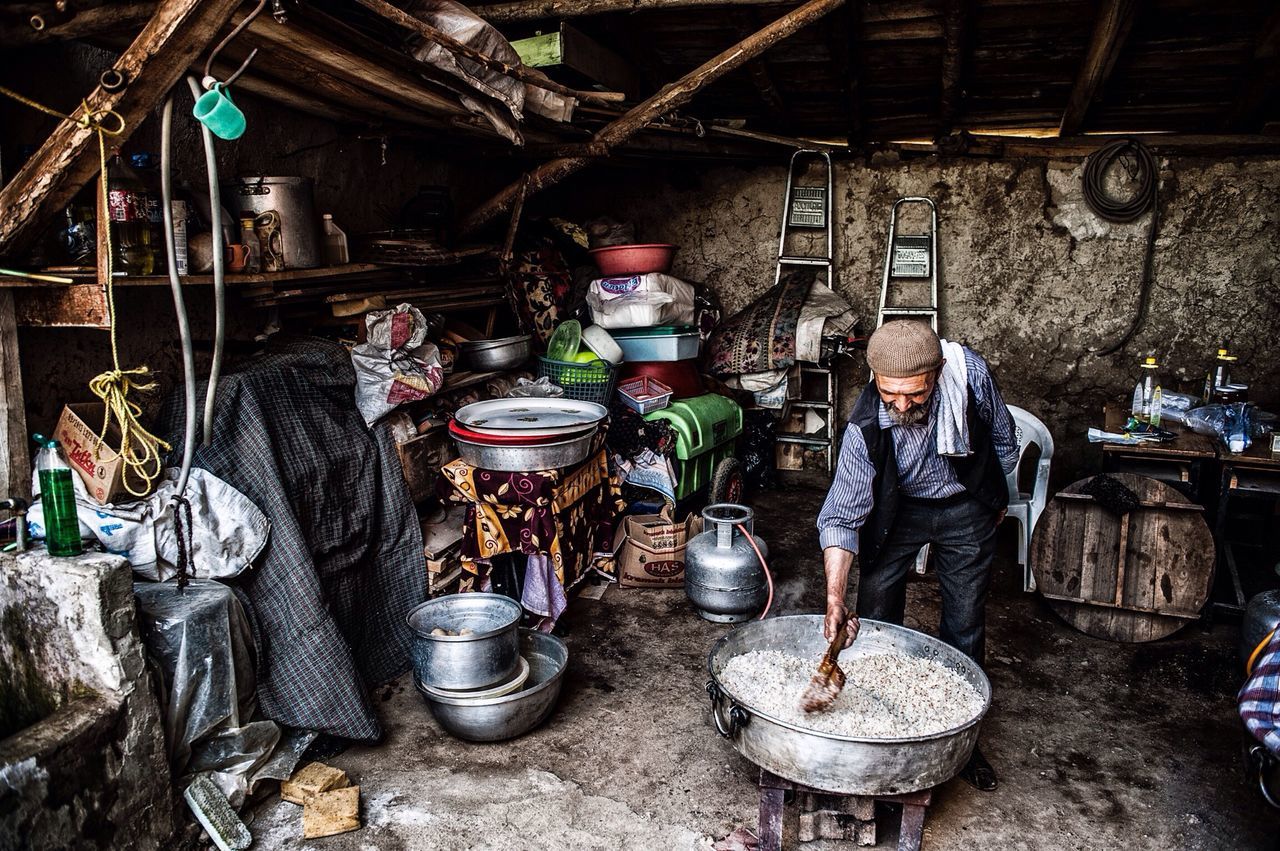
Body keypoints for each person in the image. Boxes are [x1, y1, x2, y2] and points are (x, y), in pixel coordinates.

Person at [816, 320, 1018, 791]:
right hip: (899, 506)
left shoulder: (970, 376)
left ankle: (963, 744)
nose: (902, 406)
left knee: (965, 623)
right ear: (874, 380)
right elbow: (841, 518)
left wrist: (995, 493)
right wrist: (833, 598)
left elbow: (1004, 438)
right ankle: (880, 729)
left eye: (916, 394)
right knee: (878, 615)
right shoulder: (865, 425)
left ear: (939, 372)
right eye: (890, 395)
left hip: (965, 502)